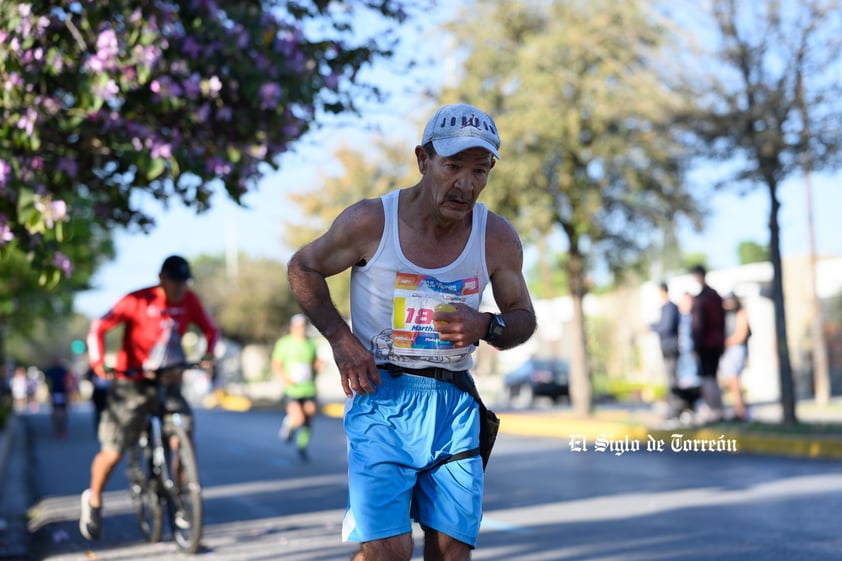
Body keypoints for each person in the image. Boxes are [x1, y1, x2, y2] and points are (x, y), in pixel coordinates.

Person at [287, 103, 536, 561]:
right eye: (453, 166)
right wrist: (342, 340)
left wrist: (485, 324)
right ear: (423, 160)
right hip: (382, 399)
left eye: (480, 170)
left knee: (451, 556)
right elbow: (304, 266)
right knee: (388, 554)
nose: (466, 184)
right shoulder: (371, 222)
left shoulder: (496, 236)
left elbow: (523, 317)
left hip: (455, 406)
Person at [79, 255, 219, 542]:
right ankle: (93, 499)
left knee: (185, 436)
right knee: (114, 449)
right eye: (175, 282)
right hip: (132, 383)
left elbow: (210, 330)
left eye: (184, 283)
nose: (180, 289)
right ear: (162, 279)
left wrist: (208, 354)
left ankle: (180, 498)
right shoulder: (137, 301)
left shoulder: (188, 300)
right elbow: (99, 328)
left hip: (169, 381)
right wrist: (98, 363)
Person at [272, 313, 323, 462]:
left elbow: (314, 362)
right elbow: (276, 363)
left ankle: (302, 447)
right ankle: (289, 425)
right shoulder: (284, 343)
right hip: (292, 389)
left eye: (303, 327)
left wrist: (318, 365)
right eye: (297, 327)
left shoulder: (311, 344)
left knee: (309, 416)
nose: (300, 330)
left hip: (308, 388)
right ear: (292, 328)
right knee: (299, 419)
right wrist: (284, 379)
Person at [688, 264, 725, 423]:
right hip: (717, 342)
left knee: (708, 377)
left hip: (706, 343)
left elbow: (698, 325)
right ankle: (718, 410)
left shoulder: (703, 298)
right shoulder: (715, 295)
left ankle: (714, 411)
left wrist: (696, 346)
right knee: (713, 376)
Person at [719, 292, 751, 420]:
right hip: (728, 350)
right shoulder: (725, 315)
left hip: (736, 349)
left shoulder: (740, 314)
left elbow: (740, 335)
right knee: (731, 383)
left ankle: (740, 411)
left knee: (734, 381)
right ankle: (738, 410)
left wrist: (725, 342)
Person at [649, 281, 680, 396]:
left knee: (672, 378)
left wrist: (652, 328)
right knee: (670, 377)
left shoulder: (670, 307)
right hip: (667, 346)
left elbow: (666, 326)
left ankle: (677, 404)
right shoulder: (666, 308)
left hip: (670, 346)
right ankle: (674, 403)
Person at [43, 356, 73, 438]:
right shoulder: (50, 371)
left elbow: (68, 381)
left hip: (62, 393)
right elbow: (46, 381)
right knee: (56, 412)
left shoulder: (63, 371)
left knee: (63, 412)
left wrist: (69, 393)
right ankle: (57, 429)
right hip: (54, 393)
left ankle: (62, 428)